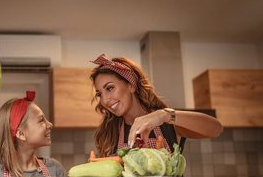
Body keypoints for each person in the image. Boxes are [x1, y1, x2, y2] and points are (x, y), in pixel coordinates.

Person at [89, 54, 223, 157]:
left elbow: (216, 128)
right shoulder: (108, 133)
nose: (105, 100)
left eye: (110, 88)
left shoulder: (167, 123)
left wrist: (164, 115)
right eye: (100, 94)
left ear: (131, 85)